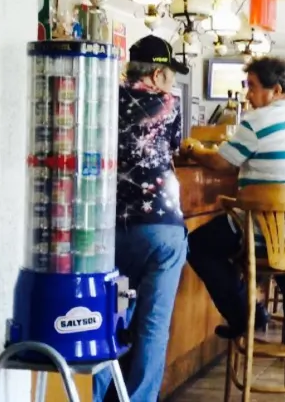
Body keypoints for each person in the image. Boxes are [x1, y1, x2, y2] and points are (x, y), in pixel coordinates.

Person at [181, 57, 285, 344]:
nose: (248, 94)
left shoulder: (257, 121)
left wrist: (193, 150)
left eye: (252, 87)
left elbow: (222, 163)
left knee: (197, 245)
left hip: (266, 231)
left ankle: (245, 316)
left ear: (276, 90)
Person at [93, 35, 189, 402]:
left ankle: (92, 393)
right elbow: (175, 147)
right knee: (154, 325)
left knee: (108, 316)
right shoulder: (170, 103)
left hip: (111, 225)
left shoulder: (104, 97)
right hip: (164, 227)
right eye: (170, 74)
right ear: (159, 74)